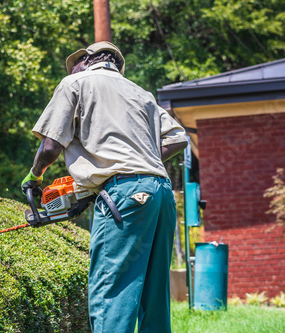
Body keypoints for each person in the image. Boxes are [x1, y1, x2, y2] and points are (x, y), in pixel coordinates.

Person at [21, 41, 188, 333]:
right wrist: (139, 161)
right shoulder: (141, 93)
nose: (72, 68)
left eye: (76, 62)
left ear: (88, 60)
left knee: (111, 291)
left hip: (125, 197)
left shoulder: (75, 83)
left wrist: (34, 176)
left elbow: (50, 146)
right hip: (161, 192)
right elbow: (178, 138)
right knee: (155, 295)